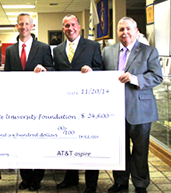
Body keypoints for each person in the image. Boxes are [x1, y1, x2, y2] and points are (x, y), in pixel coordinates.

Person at [102, 17, 163, 193]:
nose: (125, 33)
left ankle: (140, 184)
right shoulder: (107, 52)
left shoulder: (149, 51)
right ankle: (120, 182)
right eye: (121, 30)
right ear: (117, 32)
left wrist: (134, 78)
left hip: (140, 110)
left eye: (128, 29)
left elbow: (157, 77)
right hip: (115, 111)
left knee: (140, 150)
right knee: (119, 149)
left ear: (136, 31)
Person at [4, 13, 54, 191]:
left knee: (38, 141)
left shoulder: (43, 47)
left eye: (27, 24)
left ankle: (37, 178)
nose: (23, 26)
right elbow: (7, 77)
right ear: (16, 27)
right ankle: (26, 177)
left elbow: (53, 70)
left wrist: (45, 70)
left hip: (39, 102)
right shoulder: (10, 51)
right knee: (22, 141)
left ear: (32, 26)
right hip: (18, 103)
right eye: (20, 24)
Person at [53, 14, 103, 193]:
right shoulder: (57, 50)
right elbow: (56, 74)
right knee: (69, 143)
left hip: (88, 105)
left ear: (79, 26)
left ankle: (91, 184)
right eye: (66, 26)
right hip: (66, 105)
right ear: (63, 28)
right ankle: (71, 177)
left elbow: (101, 70)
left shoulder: (93, 46)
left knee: (89, 144)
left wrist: (92, 71)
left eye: (73, 25)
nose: (70, 28)